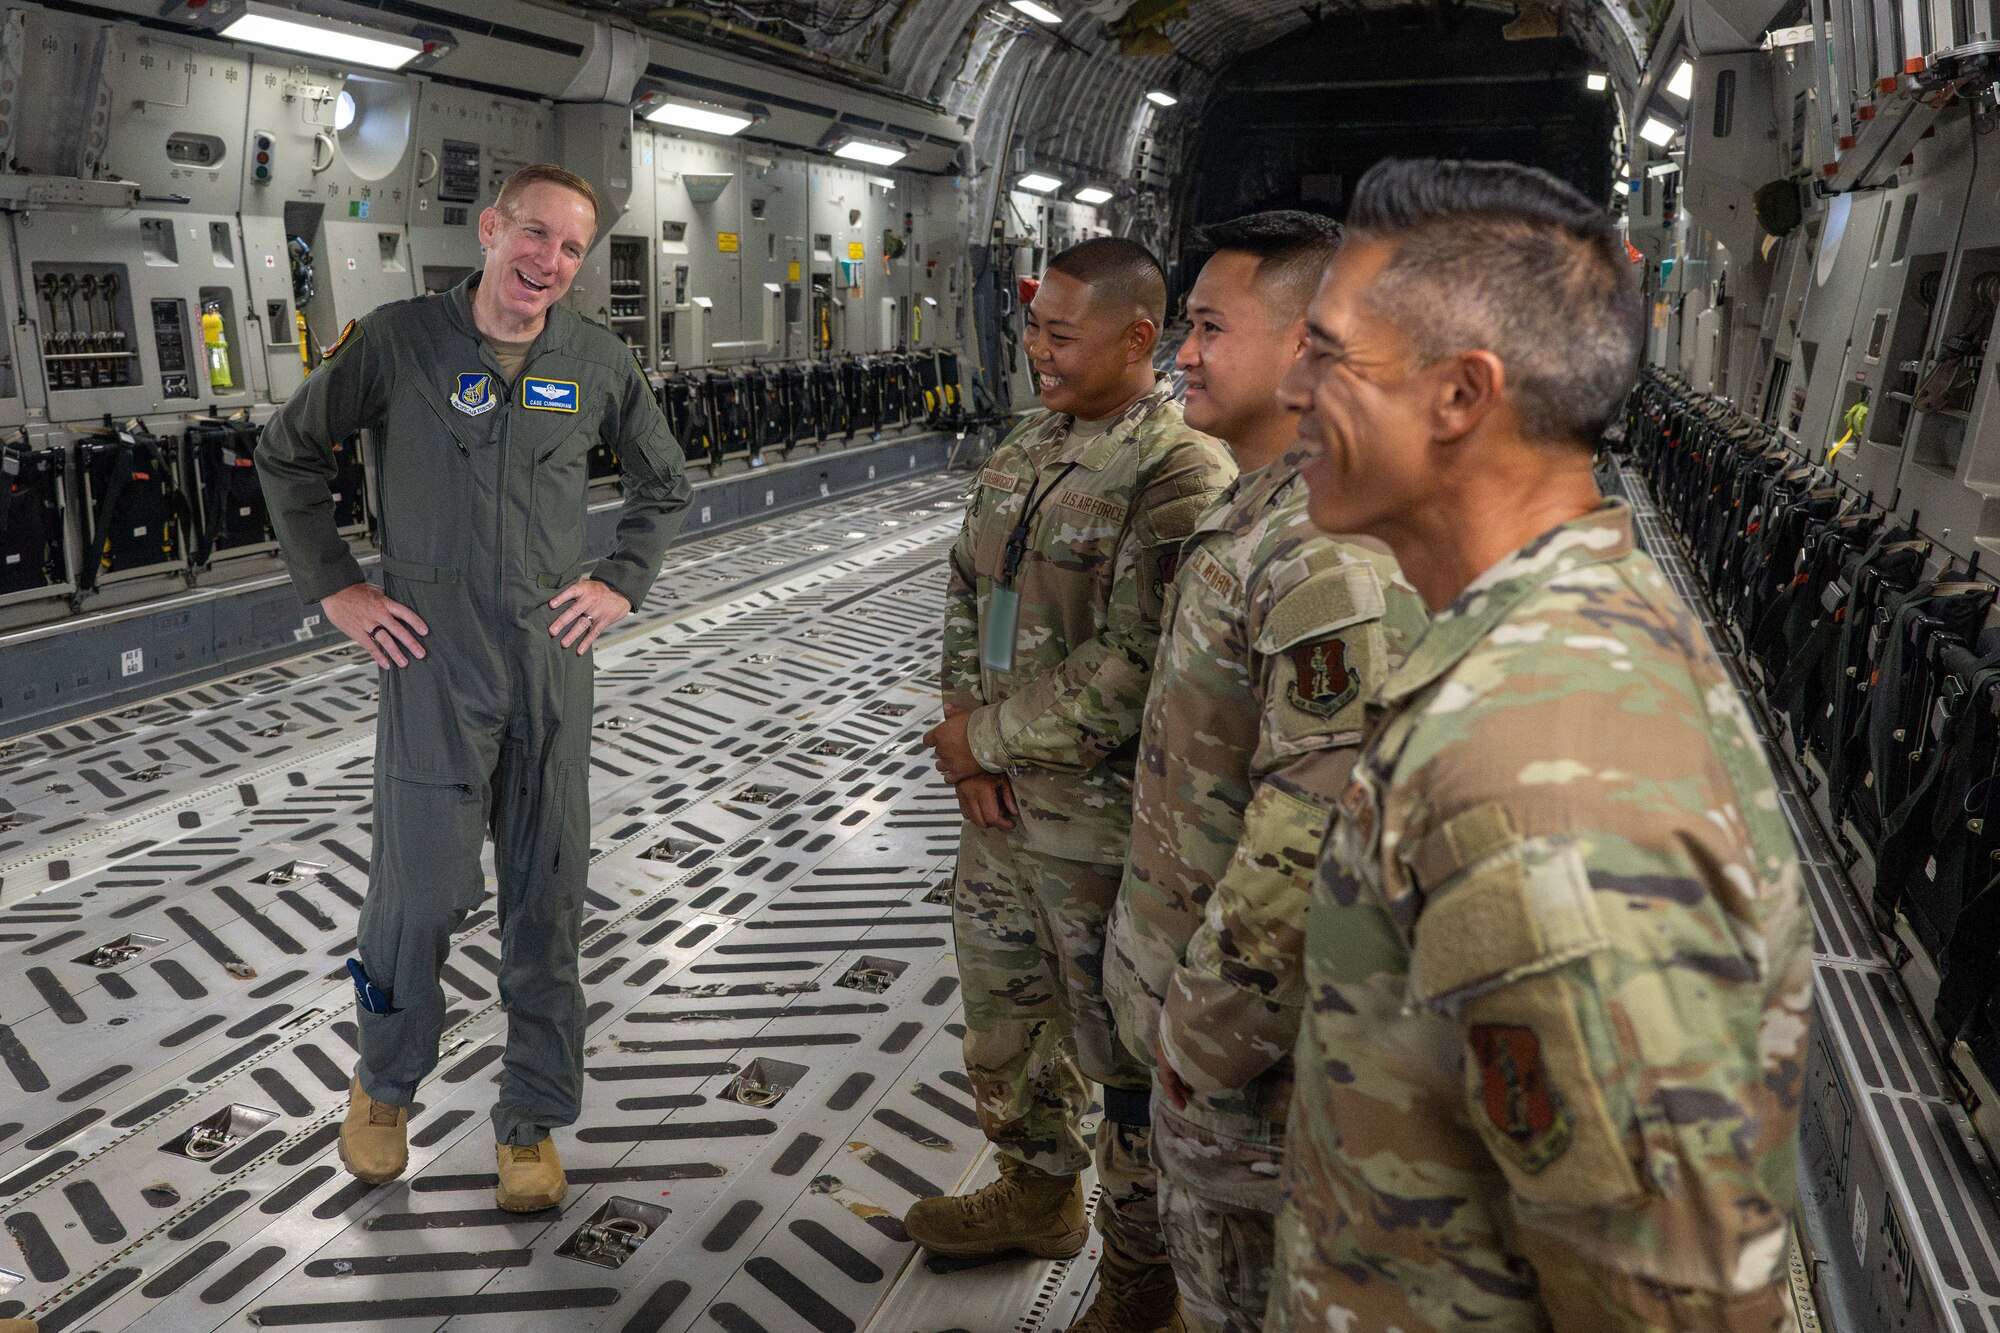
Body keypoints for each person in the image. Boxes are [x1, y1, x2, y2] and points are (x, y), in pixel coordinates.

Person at [1268, 156, 1811, 1332]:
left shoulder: (1533, 780)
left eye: (1324, 353)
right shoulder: (1544, 653)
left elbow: (1664, 1305)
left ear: (1458, 396)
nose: (1288, 388)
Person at [257, 164, 691, 1213]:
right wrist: (340, 591)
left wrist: (619, 581)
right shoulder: (400, 343)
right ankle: (384, 1083)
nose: (547, 261)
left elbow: (662, 483)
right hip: (431, 659)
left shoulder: (595, 359)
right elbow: (286, 453)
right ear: (490, 230)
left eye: (571, 248)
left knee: (546, 901)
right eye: (533, 234)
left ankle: (530, 1119)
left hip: (549, 661)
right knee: (421, 897)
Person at [1102, 212, 1426, 1333]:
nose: (1178, 353)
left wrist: (1202, 1036)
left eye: (1204, 327)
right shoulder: (1257, 515)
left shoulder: (1321, 552)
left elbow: (1319, 830)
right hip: (1215, 1063)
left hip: (1263, 1080)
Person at [908, 237, 1235, 1333]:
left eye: (1059, 333)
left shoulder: (1176, 472)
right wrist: (967, 741)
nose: (1036, 349)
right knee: (1003, 1019)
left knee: (1124, 1066)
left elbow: (1139, 665)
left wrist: (984, 741)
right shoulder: (1030, 443)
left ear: (1137, 338)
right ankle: (1037, 1192)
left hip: (1102, 834)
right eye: (1034, 327)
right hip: (1000, 812)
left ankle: (1142, 1282)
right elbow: (967, 588)